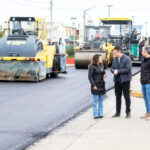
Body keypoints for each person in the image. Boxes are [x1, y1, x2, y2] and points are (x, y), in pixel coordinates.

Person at [111, 46, 132, 118]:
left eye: (115, 52)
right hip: (117, 81)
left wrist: (118, 71)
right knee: (118, 97)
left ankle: (128, 112)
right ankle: (117, 112)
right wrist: (113, 71)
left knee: (126, 97)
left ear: (119, 52)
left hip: (125, 81)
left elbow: (128, 69)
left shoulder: (127, 59)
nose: (114, 53)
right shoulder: (115, 59)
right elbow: (112, 68)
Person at [88, 54, 106, 119]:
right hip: (95, 86)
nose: (101, 59)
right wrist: (93, 85)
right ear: (97, 59)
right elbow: (90, 77)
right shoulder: (92, 67)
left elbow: (103, 72)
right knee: (95, 101)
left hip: (102, 85)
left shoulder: (102, 66)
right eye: (100, 58)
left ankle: (100, 114)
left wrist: (104, 74)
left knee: (101, 101)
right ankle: (95, 114)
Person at [140, 46, 150, 120]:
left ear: (146, 52)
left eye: (142, 51)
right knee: (145, 98)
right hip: (143, 82)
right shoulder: (143, 60)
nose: (141, 52)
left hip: (148, 82)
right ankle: (148, 112)